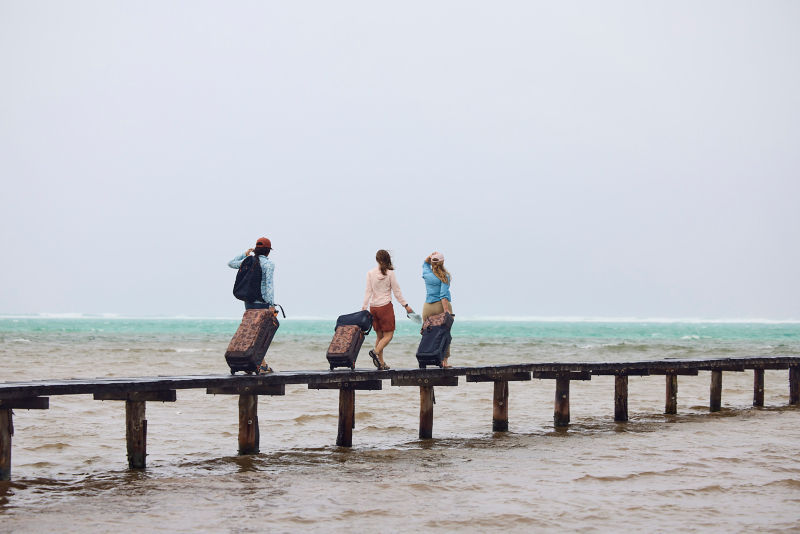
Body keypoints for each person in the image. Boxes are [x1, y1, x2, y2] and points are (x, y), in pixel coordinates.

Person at [362, 249, 414, 370]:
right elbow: (397, 292)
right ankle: (375, 352)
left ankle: (381, 363)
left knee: (380, 337)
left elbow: (368, 291)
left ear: (377, 260)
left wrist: (364, 308)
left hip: (373, 308)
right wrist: (405, 305)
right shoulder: (390, 273)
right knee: (389, 336)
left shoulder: (370, 273)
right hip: (385, 307)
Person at [422, 251, 453, 368]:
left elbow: (424, 263)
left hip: (427, 307)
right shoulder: (445, 276)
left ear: (431, 262)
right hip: (441, 306)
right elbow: (443, 295)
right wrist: (446, 311)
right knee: (445, 333)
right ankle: (444, 361)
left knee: (427, 333)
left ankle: (425, 357)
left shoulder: (426, 272)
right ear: (443, 262)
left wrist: (430, 256)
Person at [228, 237, 276, 313]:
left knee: (251, 322)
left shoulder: (248, 260)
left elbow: (231, 263)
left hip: (248, 302)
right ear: (268, 251)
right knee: (267, 324)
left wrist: (245, 254)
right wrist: (271, 305)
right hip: (262, 303)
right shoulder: (269, 264)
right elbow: (269, 286)